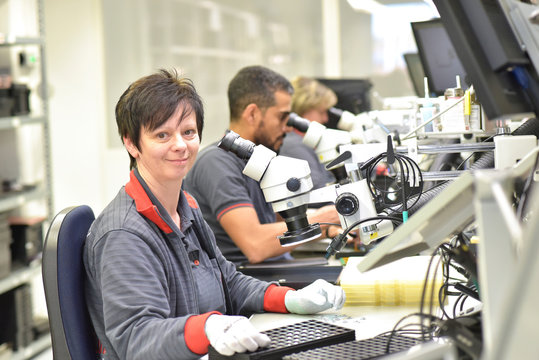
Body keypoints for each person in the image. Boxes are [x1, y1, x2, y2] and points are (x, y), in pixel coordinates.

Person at [83, 69, 346, 360]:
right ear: (131, 144)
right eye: (162, 135)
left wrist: (289, 298)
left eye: (188, 132)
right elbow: (137, 339)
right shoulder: (124, 234)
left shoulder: (187, 207)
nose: (180, 145)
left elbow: (228, 280)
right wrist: (207, 327)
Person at [184, 65, 341, 265]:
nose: (287, 127)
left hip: (274, 269)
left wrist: (328, 227)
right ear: (252, 114)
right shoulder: (217, 163)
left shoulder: (260, 161)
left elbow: (276, 225)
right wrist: (326, 216)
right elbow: (256, 245)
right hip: (245, 281)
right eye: (282, 117)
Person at [280, 76, 338, 190]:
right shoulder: (293, 145)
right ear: (303, 108)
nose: (325, 119)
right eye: (322, 112)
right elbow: (319, 188)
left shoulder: (306, 142)